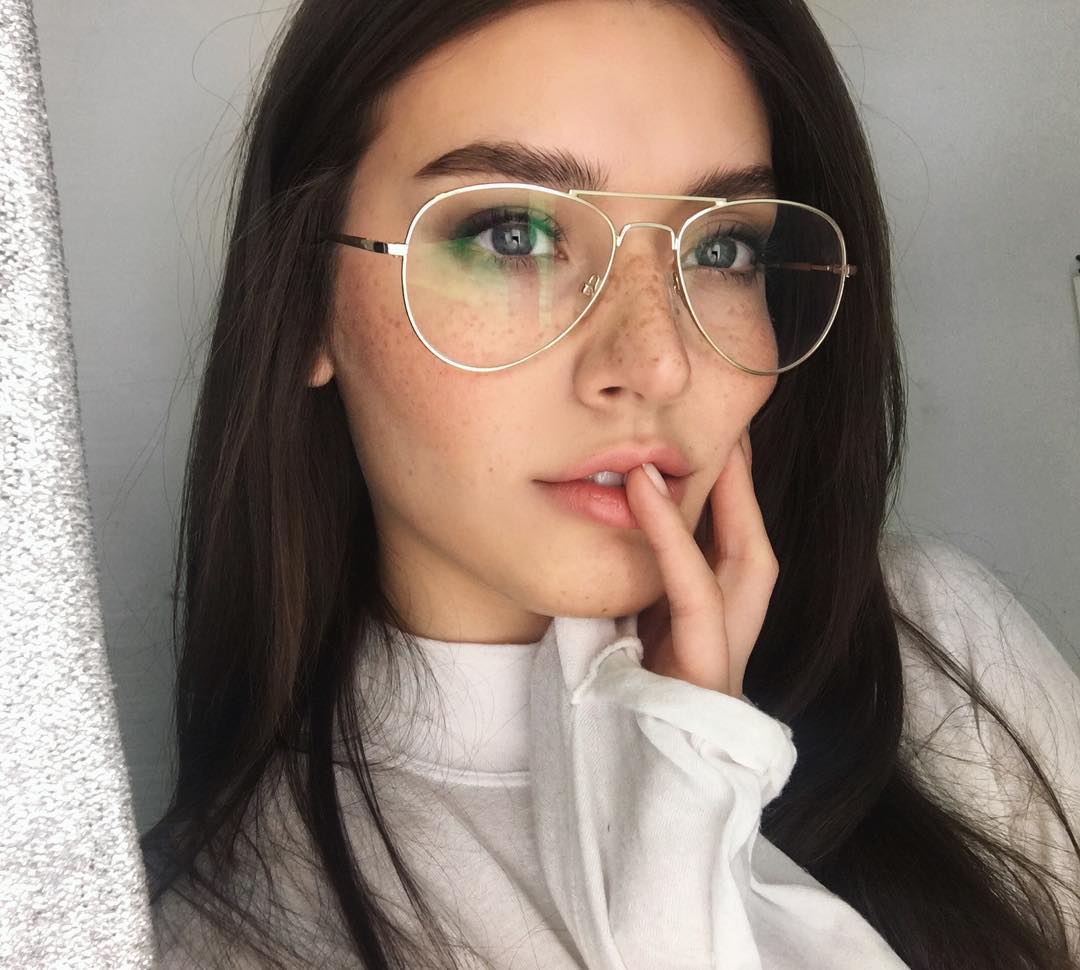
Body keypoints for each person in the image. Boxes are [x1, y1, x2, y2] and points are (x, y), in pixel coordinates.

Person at [140, 0, 1080, 967]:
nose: (657, 362)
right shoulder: (217, 935)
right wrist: (674, 828)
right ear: (305, 302)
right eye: (513, 236)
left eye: (722, 249)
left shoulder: (935, 649)